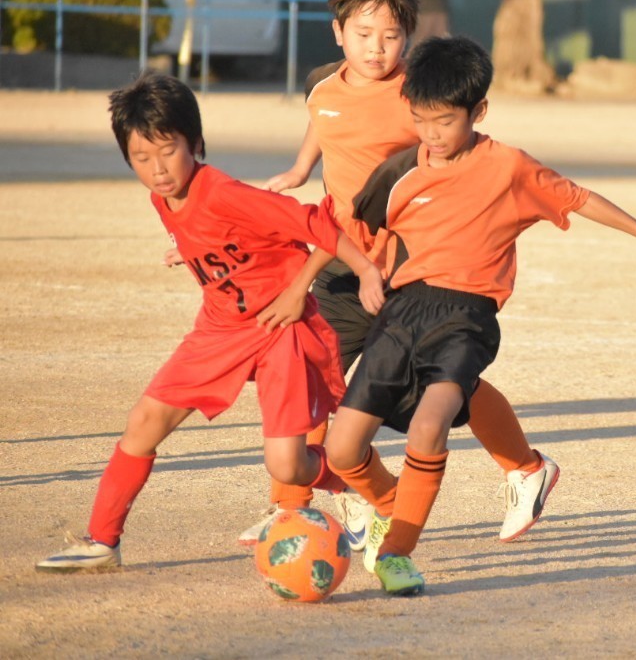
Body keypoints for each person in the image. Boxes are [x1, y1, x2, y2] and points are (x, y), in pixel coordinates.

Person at [321, 35, 636, 596]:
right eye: (420, 120)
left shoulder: (509, 167)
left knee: (431, 422)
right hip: (401, 313)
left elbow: (577, 197)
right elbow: (351, 233)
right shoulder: (398, 171)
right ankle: (395, 505)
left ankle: (397, 553)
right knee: (342, 449)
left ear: (479, 112)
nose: (431, 135)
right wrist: (364, 274)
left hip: (465, 317)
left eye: (445, 121)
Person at [260, 0, 558, 547]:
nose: (377, 49)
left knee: (446, 386)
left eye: (392, 36)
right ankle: (299, 505)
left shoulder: (415, 94)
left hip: (403, 269)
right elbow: (326, 120)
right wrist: (301, 168)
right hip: (340, 262)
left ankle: (525, 467)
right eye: (365, 35)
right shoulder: (322, 84)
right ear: (339, 31)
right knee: (311, 379)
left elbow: (462, 148)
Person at [36, 74, 386, 573]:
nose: (157, 170)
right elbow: (213, 234)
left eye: (168, 151)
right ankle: (102, 542)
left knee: (288, 465)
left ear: (196, 145)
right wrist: (192, 249)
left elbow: (317, 223)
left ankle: (365, 489)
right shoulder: (163, 197)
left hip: (277, 329)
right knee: (144, 422)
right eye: (141, 158)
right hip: (220, 328)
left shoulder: (224, 192)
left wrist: (352, 274)